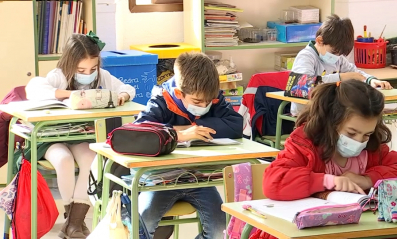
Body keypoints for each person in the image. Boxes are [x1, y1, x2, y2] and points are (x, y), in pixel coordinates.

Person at [25, 32, 135, 239]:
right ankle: (71, 219)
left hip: (80, 136)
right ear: (69, 64)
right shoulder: (57, 76)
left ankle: (75, 222)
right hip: (51, 138)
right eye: (81, 70)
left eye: (92, 69)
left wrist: (123, 95)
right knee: (64, 160)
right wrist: (70, 94)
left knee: (91, 159)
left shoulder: (102, 76)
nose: (88, 73)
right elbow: (34, 89)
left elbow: (128, 88)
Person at [135, 52, 242, 239]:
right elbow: (140, 131)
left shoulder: (211, 96)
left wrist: (195, 127)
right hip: (161, 180)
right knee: (143, 223)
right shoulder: (161, 100)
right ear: (179, 93)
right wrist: (180, 134)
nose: (204, 105)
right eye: (197, 102)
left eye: (208, 102)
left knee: (220, 230)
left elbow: (235, 125)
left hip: (199, 178)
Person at [263, 80, 397, 202]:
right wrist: (327, 181)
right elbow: (273, 182)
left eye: (367, 134)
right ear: (331, 123)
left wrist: (368, 180)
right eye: (351, 133)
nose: (359, 141)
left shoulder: (371, 149)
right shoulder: (305, 145)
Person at [290, 14, 393, 116]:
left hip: (328, 112)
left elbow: (355, 73)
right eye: (334, 52)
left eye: (340, 54)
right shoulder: (306, 56)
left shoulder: (338, 58)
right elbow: (301, 86)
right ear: (320, 41)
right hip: (307, 114)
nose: (337, 57)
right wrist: (341, 77)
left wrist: (371, 80)